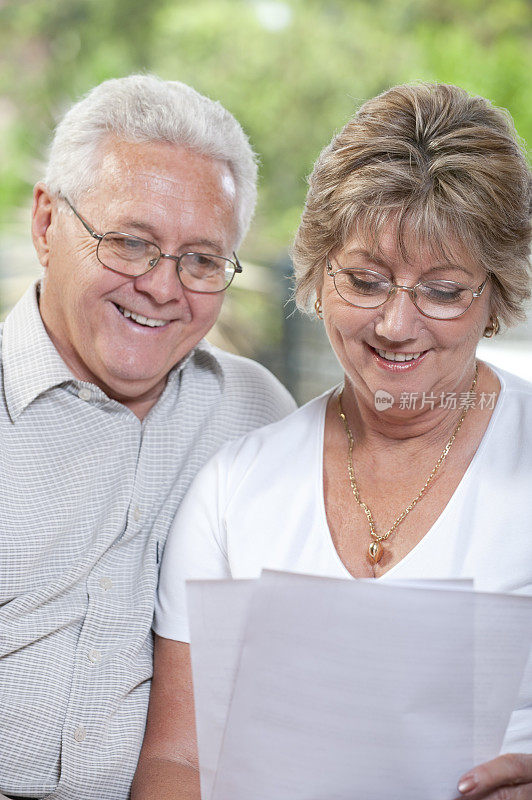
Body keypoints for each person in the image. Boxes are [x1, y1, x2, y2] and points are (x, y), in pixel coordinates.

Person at [133, 83, 532, 799]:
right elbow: (178, 761)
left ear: (497, 296)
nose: (395, 326)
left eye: (442, 291)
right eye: (366, 281)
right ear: (318, 274)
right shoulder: (235, 486)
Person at [0, 74, 295, 800]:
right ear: (46, 224)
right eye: (131, 243)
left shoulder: (257, 415)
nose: (164, 288)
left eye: (200, 260)